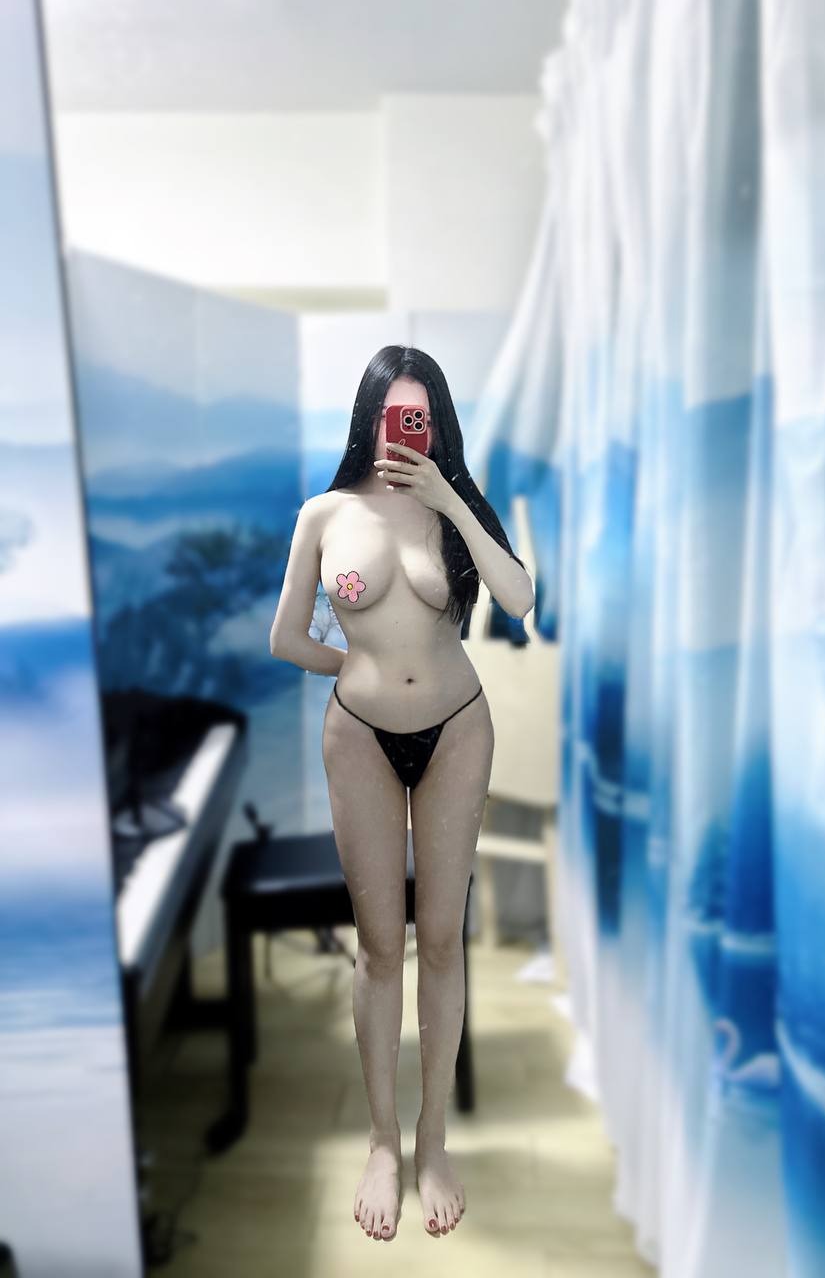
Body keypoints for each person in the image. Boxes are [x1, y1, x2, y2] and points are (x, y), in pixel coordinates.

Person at [270, 344, 534, 1241]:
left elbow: (519, 598)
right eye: (392, 415)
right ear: (369, 416)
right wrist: (360, 670)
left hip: (458, 729)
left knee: (444, 940)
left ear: (438, 422)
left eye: (419, 417)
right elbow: (286, 638)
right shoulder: (325, 514)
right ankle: (382, 1143)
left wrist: (449, 498)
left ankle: (433, 1143)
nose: (404, 432)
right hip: (359, 739)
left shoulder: (455, 504)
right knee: (381, 948)